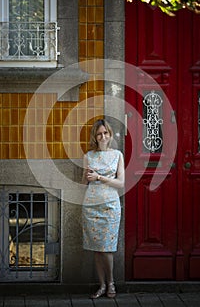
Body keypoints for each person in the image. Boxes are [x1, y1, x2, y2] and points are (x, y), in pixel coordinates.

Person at [82, 119, 125, 299]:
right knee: (96, 249)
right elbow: (84, 182)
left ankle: (111, 283)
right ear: (95, 136)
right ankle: (101, 285)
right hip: (91, 204)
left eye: (105, 133)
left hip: (110, 205)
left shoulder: (117, 155)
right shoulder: (88, 156)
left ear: (110, 135)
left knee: (107, 248)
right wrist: (86, 176)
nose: (103, 136)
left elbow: (121, 183)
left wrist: (99, 177)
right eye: (99, 134)